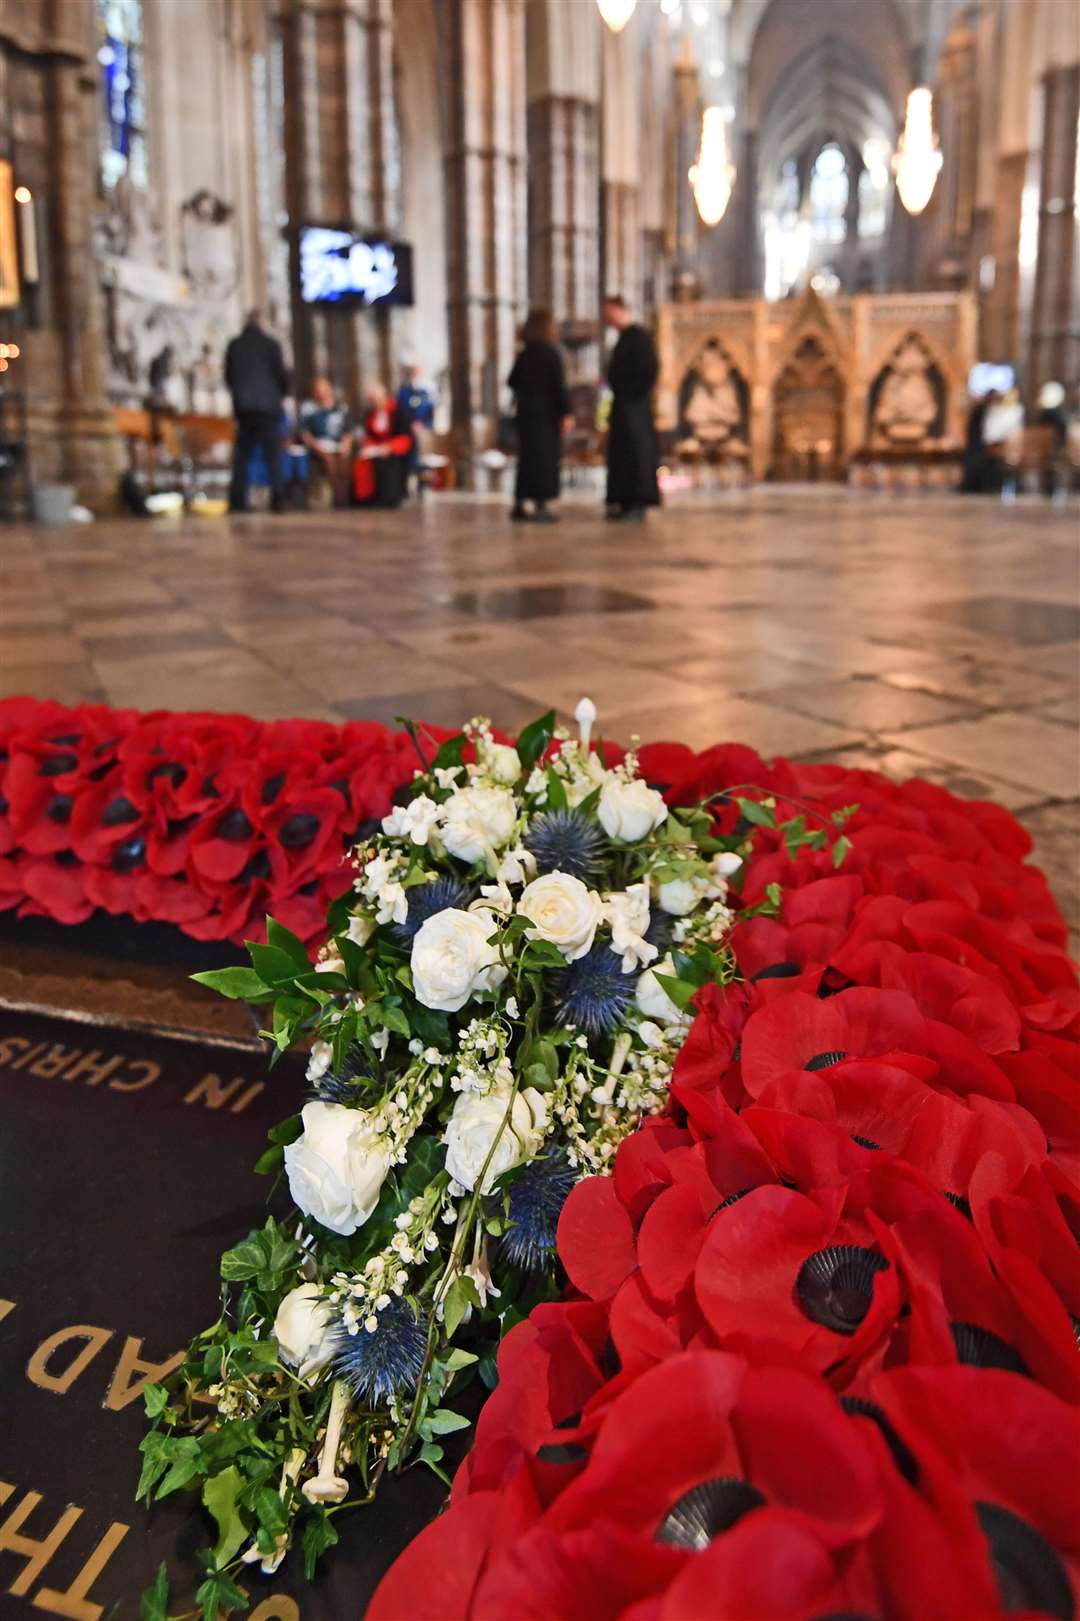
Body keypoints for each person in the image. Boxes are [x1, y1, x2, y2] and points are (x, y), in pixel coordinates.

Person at [507, 309, 572, 523]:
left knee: (526, 459)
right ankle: (541, 506)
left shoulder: (525, 353)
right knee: (544, 460)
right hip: (546, 416)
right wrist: (567, 412)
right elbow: (559, 386)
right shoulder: (552, 353)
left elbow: (512, 381)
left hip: (525, 414)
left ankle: (520, 503)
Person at [602, 293, 660, 522]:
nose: (606, 319)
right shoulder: (623, 338)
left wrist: (631, 392)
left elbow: (650, 371)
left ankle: (637, 503)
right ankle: (624, 502)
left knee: (636, 454)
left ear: (619, 310)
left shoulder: (640, 337)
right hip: (622, 405)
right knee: (621, 455)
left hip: (635, 406)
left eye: (608, 313)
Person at [224, 309, 289, 513]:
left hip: (245, 409)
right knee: (273, 456)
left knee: (242, 457)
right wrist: (279, 395)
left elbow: (229, 377)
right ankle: (278, 499)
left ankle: (237, 502)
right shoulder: (271, 345)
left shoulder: (235, 345)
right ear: (261, 324)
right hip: (268, 409)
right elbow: (282, 376)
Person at [353, 383, 413, 509]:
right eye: (372, 400)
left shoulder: (398, 411)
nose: (375, 402)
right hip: (375, 449)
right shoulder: (370, 413)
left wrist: (389, 447)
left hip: (395, 449)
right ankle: (366, 498)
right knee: (362, 461)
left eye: (376, 399)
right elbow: (368, 435)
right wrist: (369, 447)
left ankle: (390, 498)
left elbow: (406, 437)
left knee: (388, 463)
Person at [299, 377, 354, 507]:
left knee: (344, 460)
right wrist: (318, 448)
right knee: (330, 460)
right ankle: (338, 500)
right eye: (318, 390)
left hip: (338, 446)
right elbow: (305, 434)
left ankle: (344, 498)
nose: (322, 393)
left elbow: (348, 431)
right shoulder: (309, 409)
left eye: (324, 389)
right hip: (319, 447)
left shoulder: (341, 407)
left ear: (330, 389)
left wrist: (346, 446)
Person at [396, 364, 435, 496]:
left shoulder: (426, 391)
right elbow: (401, 410)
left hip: (423, 429)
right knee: (409, 459)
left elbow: (430, 410)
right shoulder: (404, 390)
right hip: (408, 430)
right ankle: (405, 487)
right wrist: (411, 424)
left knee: (423, 458)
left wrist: (423, 424)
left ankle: (422, 485)